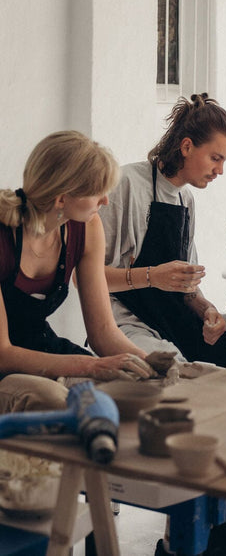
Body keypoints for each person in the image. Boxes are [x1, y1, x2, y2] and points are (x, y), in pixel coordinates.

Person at [0, 130, 157, 414]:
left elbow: (103, 333)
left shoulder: (85, 227)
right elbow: (4, 353)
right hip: (6, 359)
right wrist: (94, 366)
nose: (106, 202)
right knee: (53, 399)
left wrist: (150, 363)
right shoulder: (3, 238)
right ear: (62, 199)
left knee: (138, 387)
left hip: (40, 347)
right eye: (98, 193)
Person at [100, 93, 226, 368]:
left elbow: (186, 289)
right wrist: (152, 276)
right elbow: (88, 278)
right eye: (215, 158)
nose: (220, 171)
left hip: (171, 319)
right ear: (187, 146)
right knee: (179, 374)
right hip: (126, 322)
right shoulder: (125, 185)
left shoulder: (185, 200)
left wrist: (206, 309)